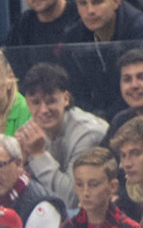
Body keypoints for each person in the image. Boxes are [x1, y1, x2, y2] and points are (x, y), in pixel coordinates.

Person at [14, 60, 105, 205]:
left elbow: (72, 199)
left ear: (66, 99)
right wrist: (20, 163)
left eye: (51, 101)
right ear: (27, 102)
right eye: (36, 103)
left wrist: (38, 154)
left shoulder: (88, 134)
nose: (43, 110)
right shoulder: (29, 130)